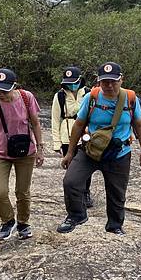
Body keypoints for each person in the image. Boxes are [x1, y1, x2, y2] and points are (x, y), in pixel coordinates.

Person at [57, 62, 141, 236]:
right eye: (104, 81)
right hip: (91, 150)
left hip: (119, 154)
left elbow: (139, 125)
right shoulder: (92, 97)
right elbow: (78, 125)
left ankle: (114, 225)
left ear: (121, 80)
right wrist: (69, 152)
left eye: (113, 81)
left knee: (117, 192)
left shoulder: (130, 99)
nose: (109, 85)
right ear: (99, 81)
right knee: (71, 181)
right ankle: (76, 215)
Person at [0, 68, 44, 240]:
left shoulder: (26, 98)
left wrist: (40, 149)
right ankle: (7, 221)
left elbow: (35, 124)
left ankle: (23, 223)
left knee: (22, 191)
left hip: (25, 152)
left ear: (13, 86)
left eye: (3, 91)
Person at [51, 66, 94, 208]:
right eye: (69, 83)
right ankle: (73, 194)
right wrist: (56, 143)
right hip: (67, 135)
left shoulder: (89, 93)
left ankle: (85, 192)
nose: (72, 85)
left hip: (86, 135)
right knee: (71, 168)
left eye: (74, 82)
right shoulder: (60, 96)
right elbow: (55, 120)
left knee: (87, 165)